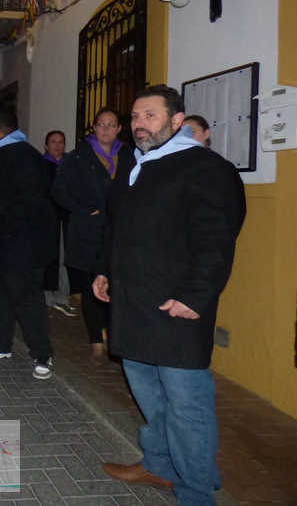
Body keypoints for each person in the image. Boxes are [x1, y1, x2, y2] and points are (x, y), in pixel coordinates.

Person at [95, 85, 245, 504]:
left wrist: (196, 297)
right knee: (149, 394)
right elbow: (118, 226)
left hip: (176, 307)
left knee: (186, 404)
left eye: (150, 116)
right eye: (135, 117)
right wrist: (105, 270)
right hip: (133, 303)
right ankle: (158, 465)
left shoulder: (205, 167)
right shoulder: (136, 164)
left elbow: (217, 239)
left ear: (177, 121)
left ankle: (197, 491)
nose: (139, 125)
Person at [0, 109, 57, 379]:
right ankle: (1, 344)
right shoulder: (8, 152)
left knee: (27, 300)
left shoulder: (20, 156)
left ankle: (42, 354)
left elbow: (28, 203)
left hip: (17, 246)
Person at [52, 109, 135, 357]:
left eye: (111, 125)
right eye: (101, 124)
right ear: (94, 127)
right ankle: (96, 337)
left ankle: (112, 331)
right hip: (89, 231)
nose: (105, 129)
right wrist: (85, 210)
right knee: (91, 284)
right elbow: (59, 191)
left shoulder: (129, 155)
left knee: (115, 282)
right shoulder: (78, 156)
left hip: (118, 231)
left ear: (119, 128)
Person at [42, 130, 77, 316]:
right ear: (46, 146)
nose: (57, 146)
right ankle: (47, 300)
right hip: (48, 220)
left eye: (61, 142)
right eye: (53, 142)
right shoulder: (41, 166)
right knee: (48, 258)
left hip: (67, 218)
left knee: (65, 259)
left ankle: (62, 298)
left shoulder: (71, 165)